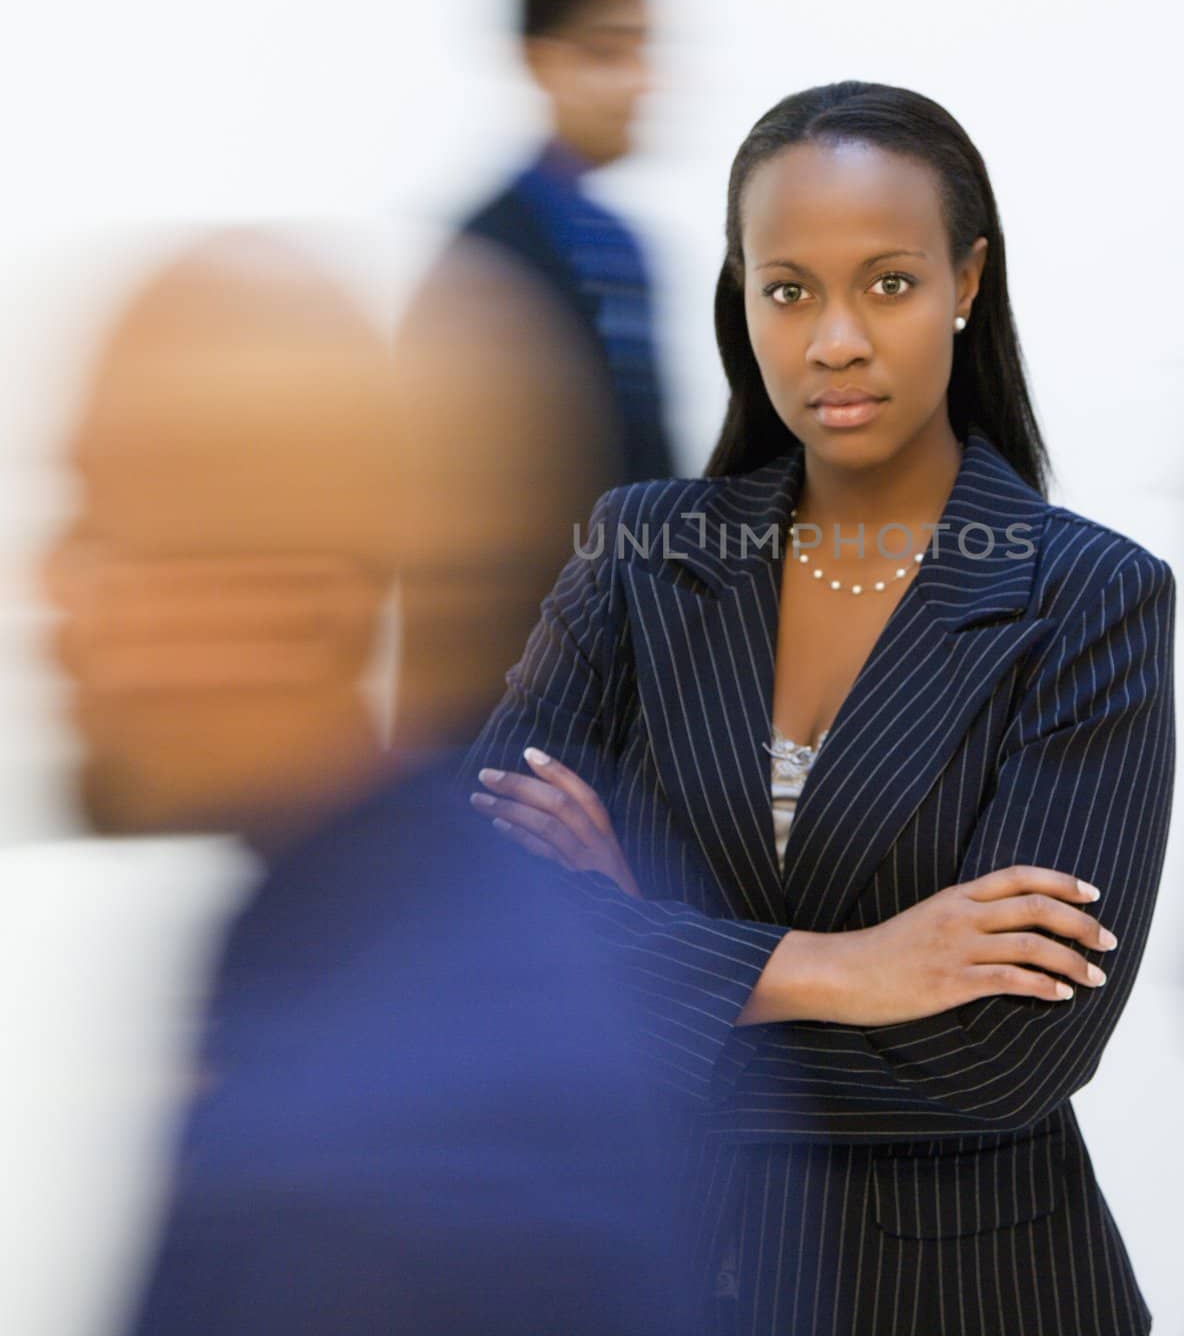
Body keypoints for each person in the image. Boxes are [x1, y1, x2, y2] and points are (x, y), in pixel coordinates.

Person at [467, 82, 1178, 1335]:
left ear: (967, 280)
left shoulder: (1089, 597)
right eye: (787, 288)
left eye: (888, 284)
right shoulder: (642, 554)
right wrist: (844, 968)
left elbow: (1012, 1056)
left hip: (970, 1296)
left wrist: (638, 964)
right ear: (740, 301)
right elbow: (475, 918)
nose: (832, 339)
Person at [45, 237, 696, 1335]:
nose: (54, 610)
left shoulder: (370, 1178)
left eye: (105, 533)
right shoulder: (420, 929)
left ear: (292, 600)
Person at [394, 0, 678, 745]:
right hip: (511, 732)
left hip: (623, 725)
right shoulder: (483, 263)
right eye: (606, 51)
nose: (638, 80)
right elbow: (454, 550)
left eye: (645, 49)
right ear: (537, 60)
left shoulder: (619, 251)